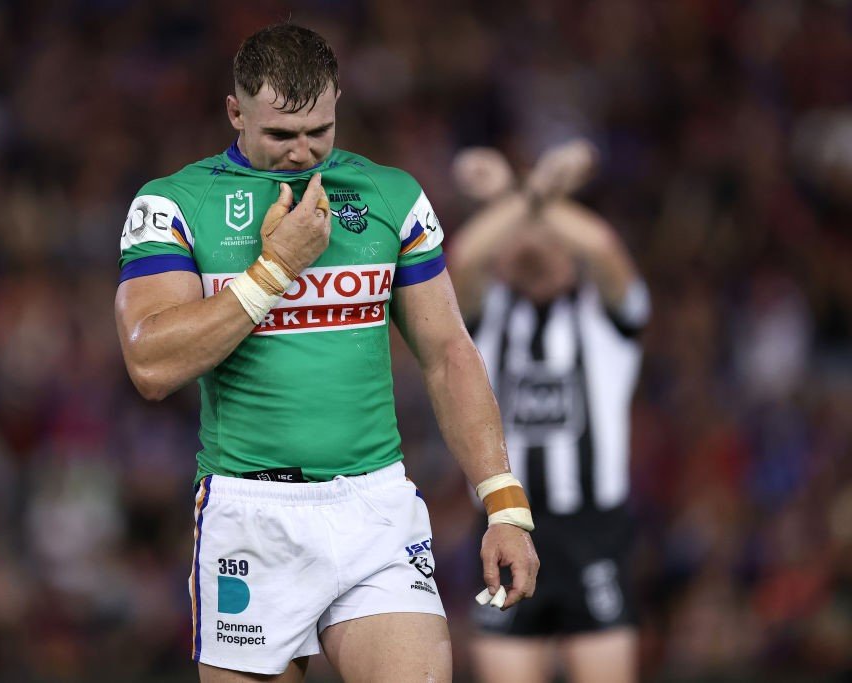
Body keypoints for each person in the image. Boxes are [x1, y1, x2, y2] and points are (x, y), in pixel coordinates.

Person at [113, 24, 539, 683]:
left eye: (320, 131)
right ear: (235, 111)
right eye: (281, 136)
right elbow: (150, 364)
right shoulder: (175, 203)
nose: (302, 153)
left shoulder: (390, 198)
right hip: (251, 517)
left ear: (339, 102)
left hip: (375, 508)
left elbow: (449, 353)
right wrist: (273, 269)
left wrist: (505, 505)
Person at [448, 141, 650, 683]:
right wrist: (529, 198)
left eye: (545, 234)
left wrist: (517, 196)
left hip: (592, 530)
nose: (530, 245)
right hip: (503, 524)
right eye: (517, 238)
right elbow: (464, 258)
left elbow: (603, 244)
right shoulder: (486, 323)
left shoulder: (606, 320)